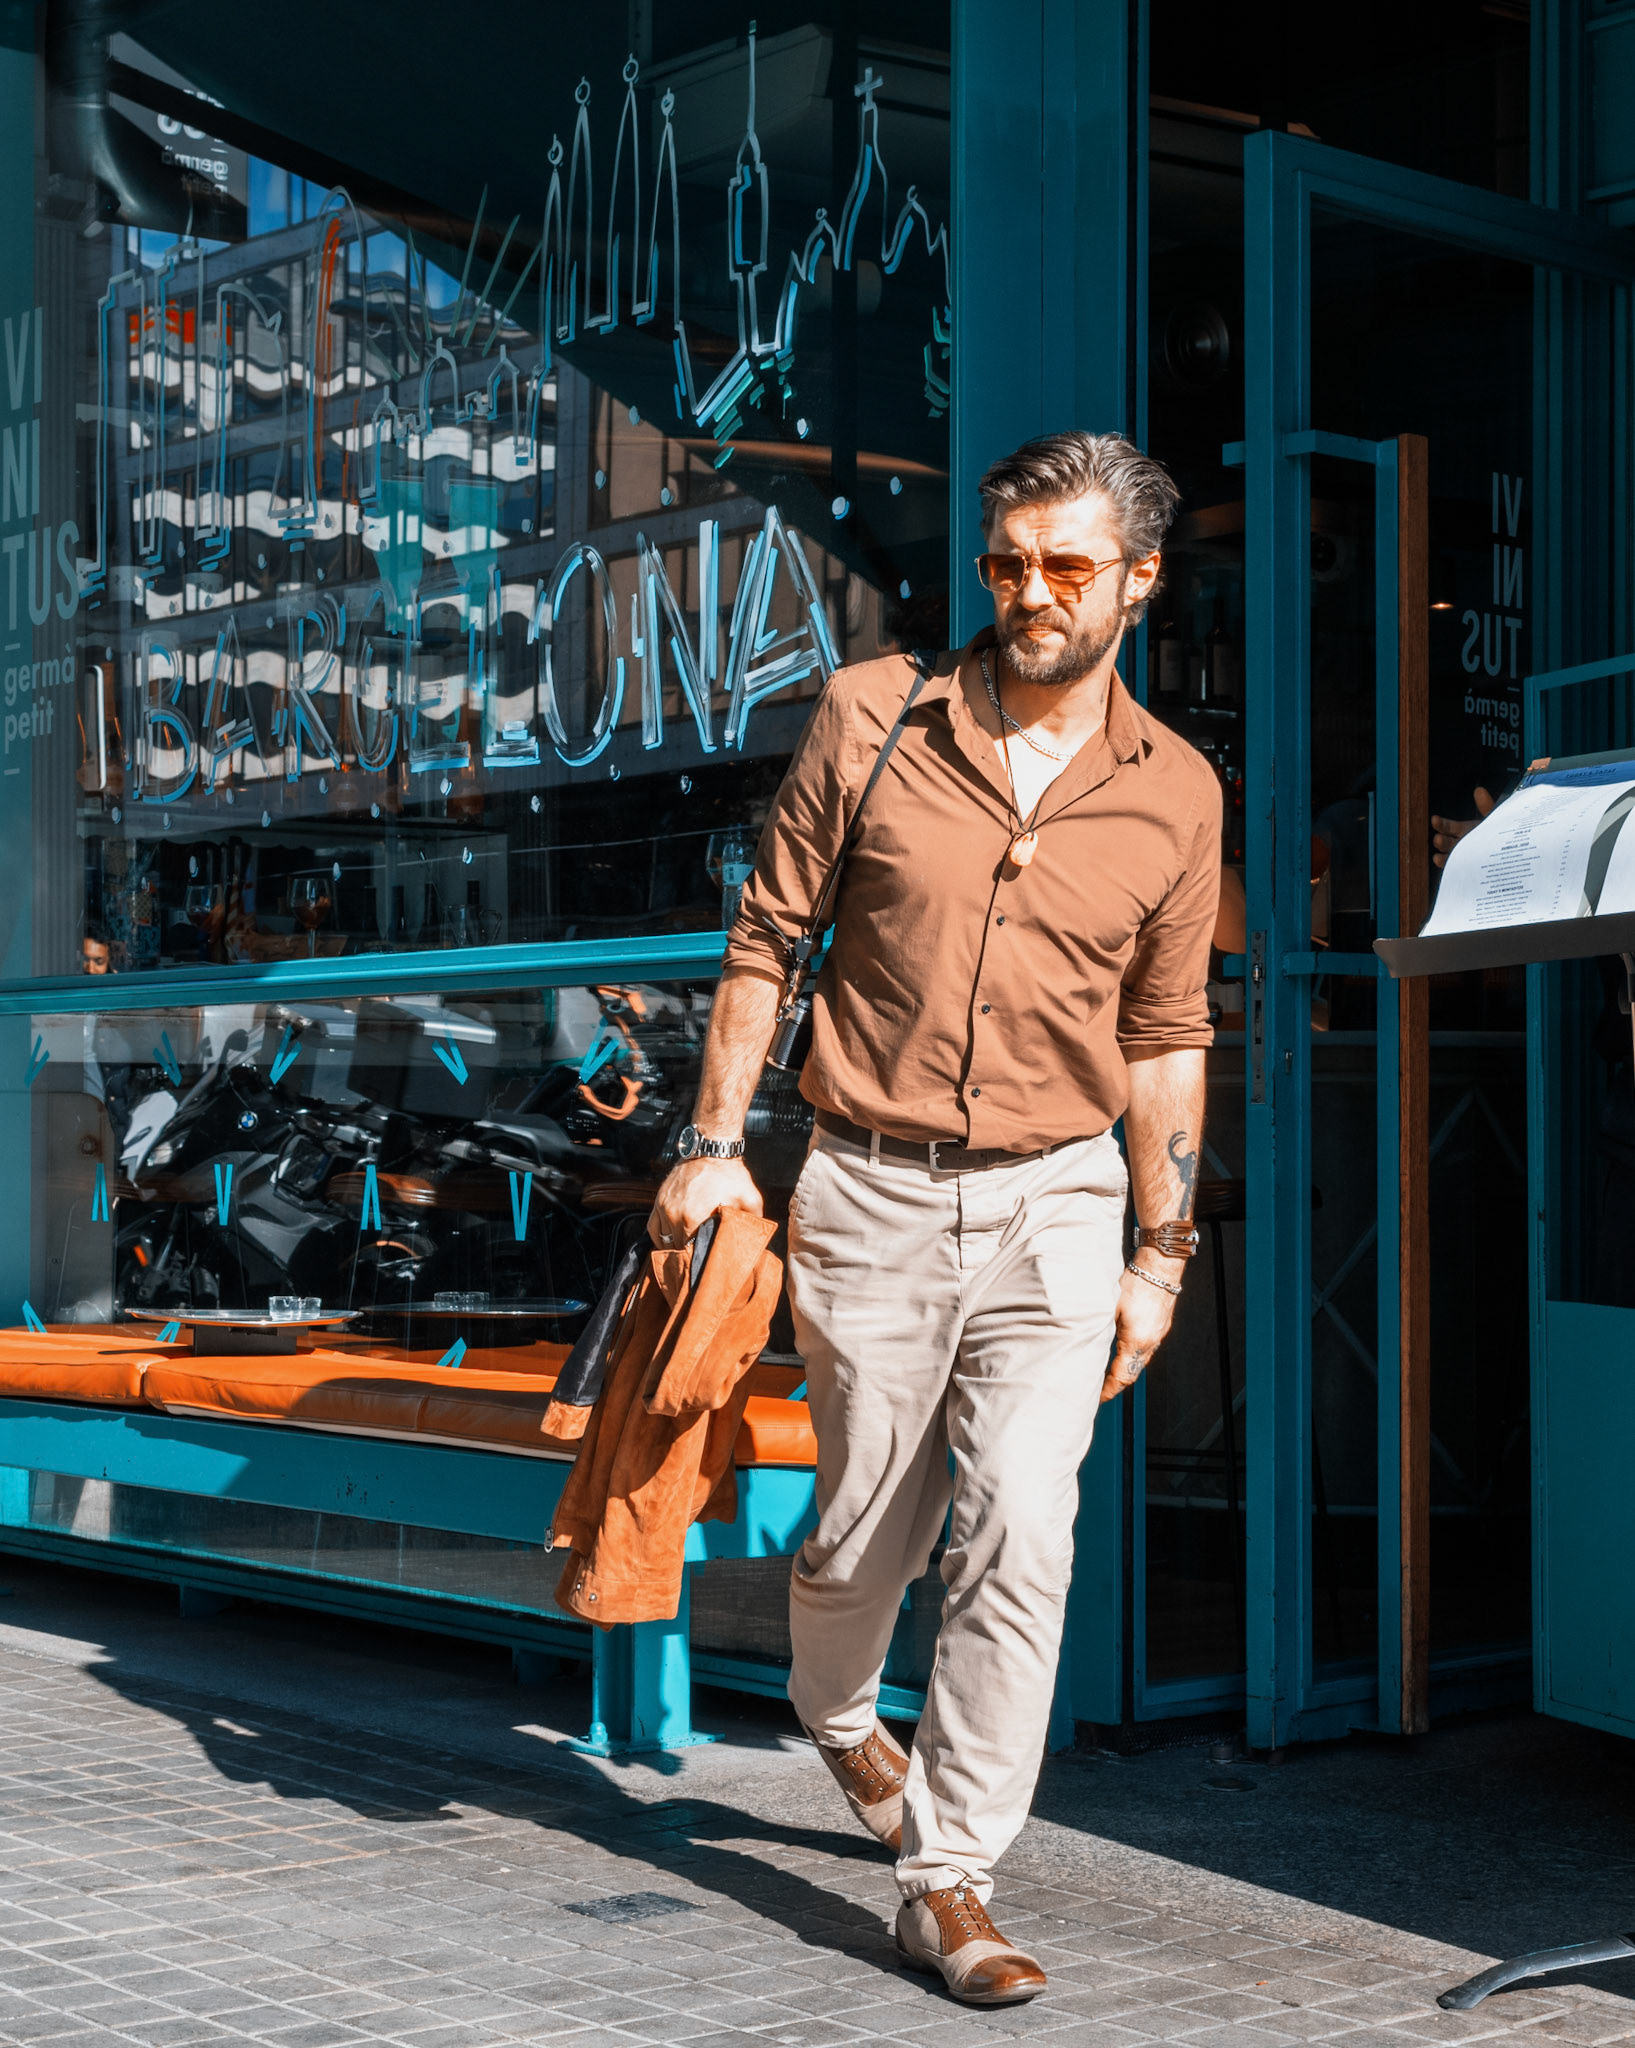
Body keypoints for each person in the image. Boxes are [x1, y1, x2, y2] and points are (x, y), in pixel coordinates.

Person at [651, 431, 1220, 2009]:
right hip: (870, 1188)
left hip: (1061, 1199)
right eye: (1006, 563)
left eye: (1067, 567)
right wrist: (713, 1145)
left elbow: (1168, 1035)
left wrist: (1160, 1254)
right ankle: (840, 1716)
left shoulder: (1176, 791)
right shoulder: (874, 715)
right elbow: (768, 941)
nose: (1031, 593)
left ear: (1139, 579)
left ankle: (949, 1876)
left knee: (1025, 1527)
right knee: (863, 1540)